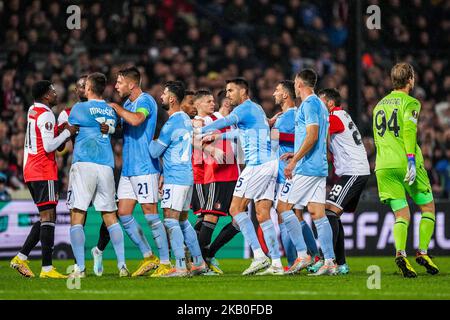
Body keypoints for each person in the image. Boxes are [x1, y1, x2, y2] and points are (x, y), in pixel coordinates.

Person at [196, 78, 282, 276]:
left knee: (235, 208)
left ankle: (260, 256)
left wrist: (199, 130)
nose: (228, 94)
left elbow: (226, 122)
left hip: (257, 165)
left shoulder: (243, 108)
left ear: (243, 91)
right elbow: (241, 134)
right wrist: (219, 137)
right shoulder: (257, 109)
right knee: (262, 213)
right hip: (270, 164)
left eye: (231, 90)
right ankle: (276, 262)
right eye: (226, 91)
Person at [373, 62, 439, 278]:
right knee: (427, 207)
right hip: (406, 162)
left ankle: (401, 253)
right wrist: (410, 159)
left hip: (383, 165)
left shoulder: (378, 106)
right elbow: (410, 131)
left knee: (401, 214)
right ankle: (422, 252)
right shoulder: (411, 102)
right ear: (410, 79)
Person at [10, 80, 77, 278]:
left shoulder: (33, 110)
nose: (56, 94)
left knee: (47, 217)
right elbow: (48, 147)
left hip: (31, 169)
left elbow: (46, 140)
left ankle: (21, 258)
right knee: (49, 218)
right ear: (46, 96)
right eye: (53, 91)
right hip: (42, 169)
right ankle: (47, 268)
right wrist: (67, 132)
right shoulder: (46, 114)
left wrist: (59, 133)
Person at [110, 67, 171, 277]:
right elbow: (122, 130)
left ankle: (165, 262)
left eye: (119, 82)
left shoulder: (145, 101)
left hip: (145, 167)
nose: (116, 86)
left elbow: (136, 120)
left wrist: (116, 109)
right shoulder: (126, 104)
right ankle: (149, 257)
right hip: (128, 168)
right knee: (124, 213)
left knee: (150, 213)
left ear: (131, 84)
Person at [67, 72, 128, 278]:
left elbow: (72, 130)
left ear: (89, 88)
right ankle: (122, 266)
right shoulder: (111, 110)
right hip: (106, 166)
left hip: (84, 163)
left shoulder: (79, 108)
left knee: (77, 215)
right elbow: (115, 129)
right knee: (110, 216)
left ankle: (80, 269)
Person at [276, 69, 336, 276]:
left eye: (294, 82)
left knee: (283, 207)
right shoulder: (320, 104)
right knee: (317, 213)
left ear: (299, 84)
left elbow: (312, 136)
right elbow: (319, 139)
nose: (294, 85)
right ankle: (329, 261)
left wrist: (294, 160)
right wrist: (296, 151)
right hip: (318, 166)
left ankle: (302, 255)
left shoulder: (309, 104)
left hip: (306, 168)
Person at [149, 81, 207, 277]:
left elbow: (155, 151)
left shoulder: (172, 122)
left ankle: (181, 266)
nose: (162, 97)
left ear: (172, 99)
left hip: (175, 178)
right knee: (183, 220)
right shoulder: (185, 120)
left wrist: (147, 141)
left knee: (170, 220)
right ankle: (198, 262)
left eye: (164, 94)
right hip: (186, 176)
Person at [58, 74, 111, 276]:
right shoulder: (66, 113)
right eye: (81, 86)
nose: (84, 89)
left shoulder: (103, 108)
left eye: (86, 85)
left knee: (111, 216)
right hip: (81, 167)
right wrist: (67, 132)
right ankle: (78, 263)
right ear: (76, 91)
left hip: (104, 164)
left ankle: (98, 250)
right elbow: (61, 146)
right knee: (79, 214)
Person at [315, 88, 370, 275]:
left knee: (329, 212)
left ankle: (328, 260)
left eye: (320, 102)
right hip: (354, 170)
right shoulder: (341, 115)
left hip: (353, 171)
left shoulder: (334, 117)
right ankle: (341, 264)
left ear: (330, 104)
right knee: (333, 214)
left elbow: (315, 135)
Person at [271, 80, 320, 269]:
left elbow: (302, 139)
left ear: (285, 95)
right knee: (294, 215)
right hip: (285, 172)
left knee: (286, 215)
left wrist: (275, 135)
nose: (273, 93)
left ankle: (296, 260)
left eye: (277, 90)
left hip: (290, 173)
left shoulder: (293, 115)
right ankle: (311, 256)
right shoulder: (284, 116)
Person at [191, 89, 240, 274]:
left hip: (234, 174)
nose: (212, 104)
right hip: (213, 174)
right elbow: (194, 139)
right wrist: (212, 150)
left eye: (213, 100)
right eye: (208, 101)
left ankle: (207, 254)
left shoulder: (233, 124)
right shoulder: (208, 120)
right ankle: (198, 260)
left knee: (238, 220)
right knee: (209, 216)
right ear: (227, 102)